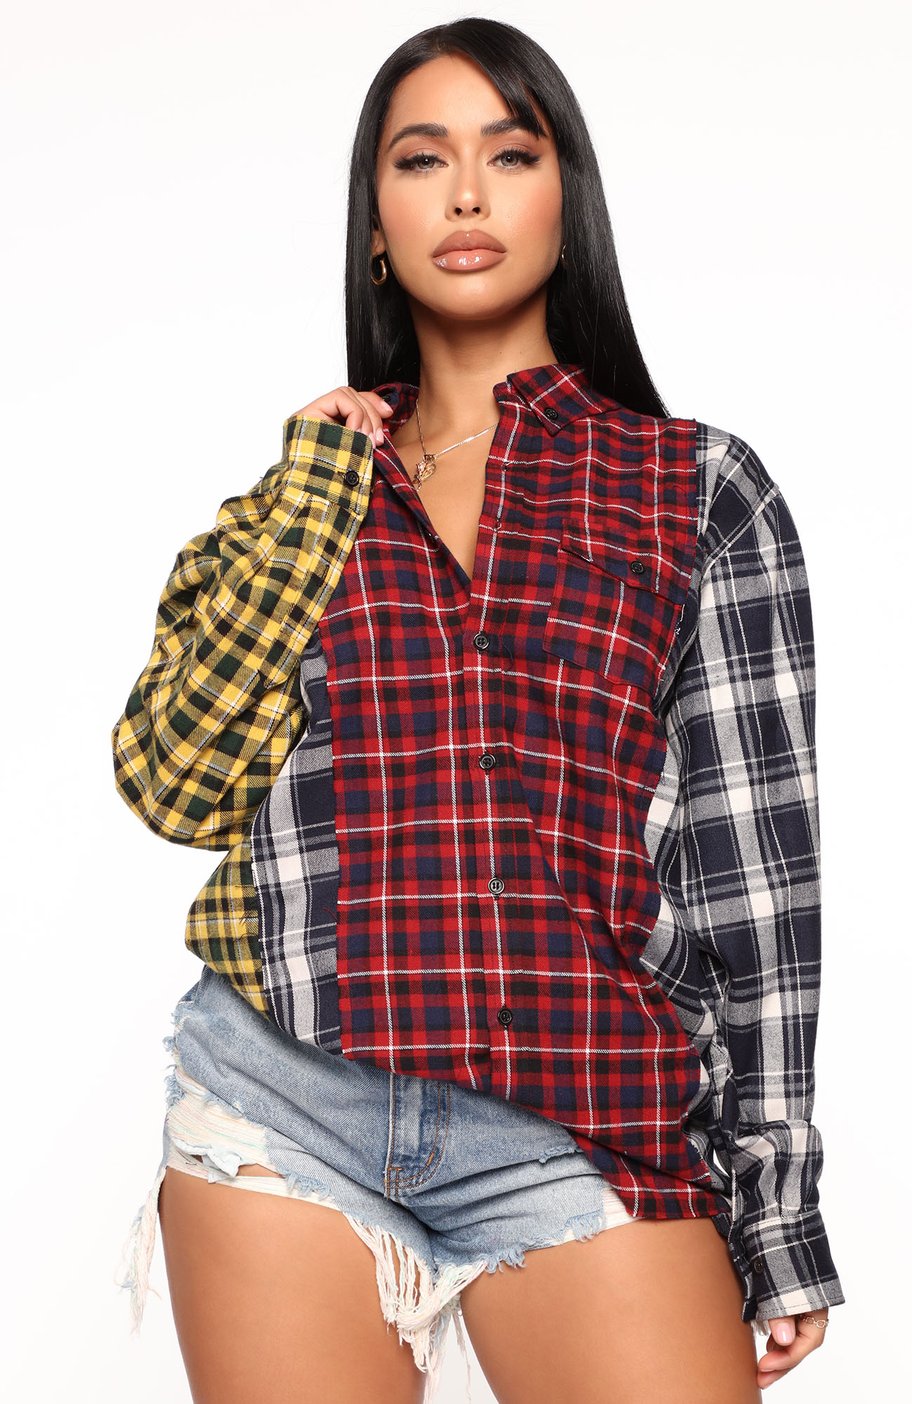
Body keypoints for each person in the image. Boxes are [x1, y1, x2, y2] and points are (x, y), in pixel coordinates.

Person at [111, 16, 844, 1403]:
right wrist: (314, 495)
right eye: (420, 159)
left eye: (509, 155)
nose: (464, 193)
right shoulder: (297, 501)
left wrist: (776, 1208)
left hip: (580, 1113)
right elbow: (174, 784)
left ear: (568, 207)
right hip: (282, 1102)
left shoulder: (693, 490)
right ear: (374, 227)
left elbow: (755, 886)